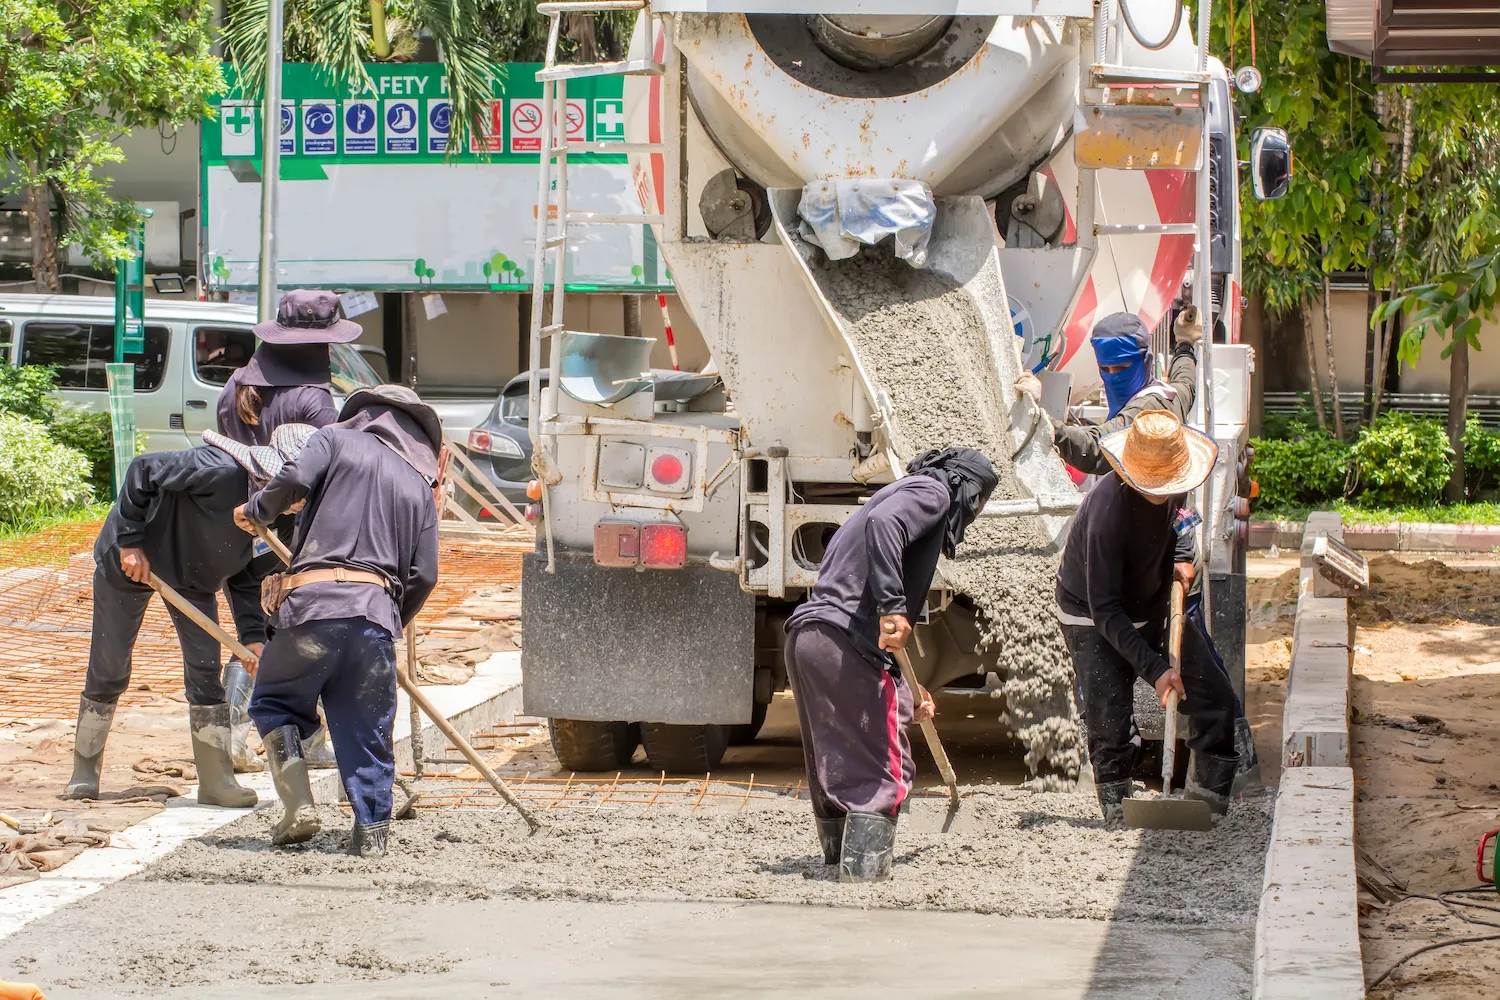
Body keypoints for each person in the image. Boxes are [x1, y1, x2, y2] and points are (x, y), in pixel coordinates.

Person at [236, 386, 441, 857]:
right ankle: (372, 834)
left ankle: (298, 807)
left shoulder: (332, 440)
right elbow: (424, 574)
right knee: (366, 729)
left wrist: (256, 510)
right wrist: (390, 620)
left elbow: (291, 480)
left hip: (311, 609)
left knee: (276, 703)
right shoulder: (418, 486)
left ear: (363, 415)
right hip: (374, 619)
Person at [784, 449, 997, 882]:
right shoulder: (933, 491)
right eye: (977, 502)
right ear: (966, 488)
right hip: (846, 642)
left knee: (835, 764)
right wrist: (893, 608)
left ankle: (837, 867)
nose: (973, 513)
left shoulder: (889, 494)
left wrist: (902, 690)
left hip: (811, 638)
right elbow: (887, 528)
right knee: (882, 772)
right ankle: (865, 879)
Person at [63, 440, 282, 807]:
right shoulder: (217, 469)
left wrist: (252, 637)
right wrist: (130, 542)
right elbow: (142, 469)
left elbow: (244, 575)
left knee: (205, 668)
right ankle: (84, 771)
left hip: (193, 576)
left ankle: (216, 781)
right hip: (132, 562)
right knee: (110, 665)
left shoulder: (284, 519)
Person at [1055, 410, 1239, 827]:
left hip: (1153, 601)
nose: (1170, 489)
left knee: (1214, 696)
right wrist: (1156, 670)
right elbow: (1105, 610)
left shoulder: (1177, 481)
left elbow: (1182, 526)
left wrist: (1180, 559)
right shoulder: (1107, 513)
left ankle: (1208, 804)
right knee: (1110, 719)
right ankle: (1119, 812)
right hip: (1092, 616)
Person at [216, 289, 362, 772]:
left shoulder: (236, 386)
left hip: (238, 523)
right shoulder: (315, 402)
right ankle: (308, 737)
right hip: (292, 533)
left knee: (253, 632)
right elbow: (321, 474)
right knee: (298, 633)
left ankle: (232, 741)